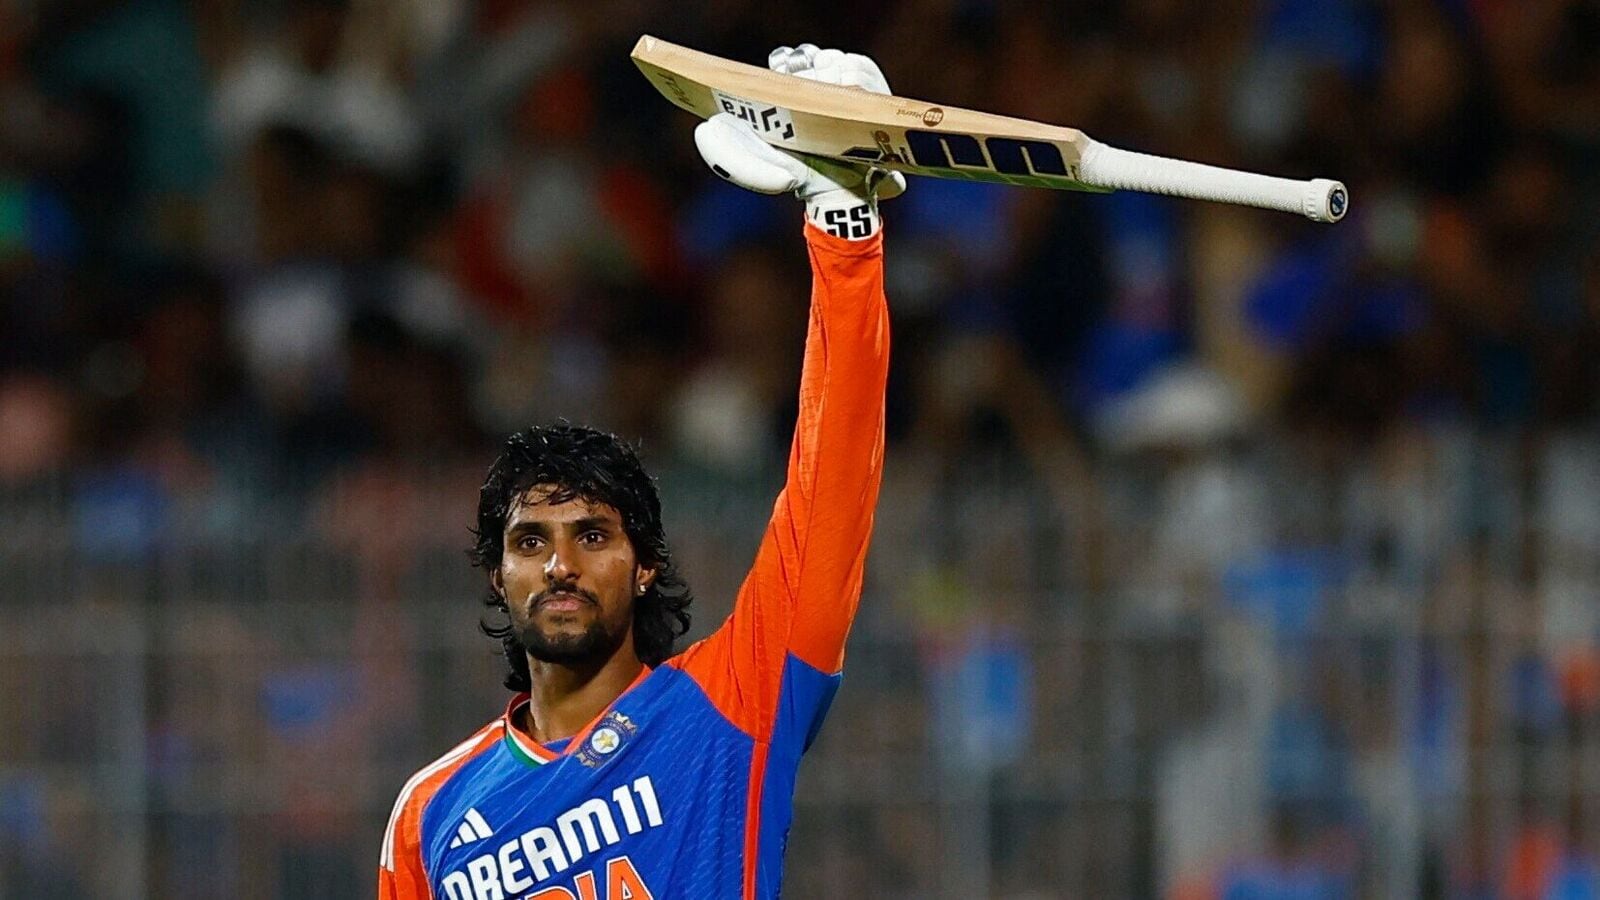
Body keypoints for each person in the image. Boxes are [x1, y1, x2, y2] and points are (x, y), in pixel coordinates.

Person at [378, 43, 905, 899]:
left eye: (592, 535)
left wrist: (843, 231)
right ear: (497, 575)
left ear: (646, 563)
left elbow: (833, 478)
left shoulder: (730, 705)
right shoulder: (427, 816)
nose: (560, 564)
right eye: (529, 541)